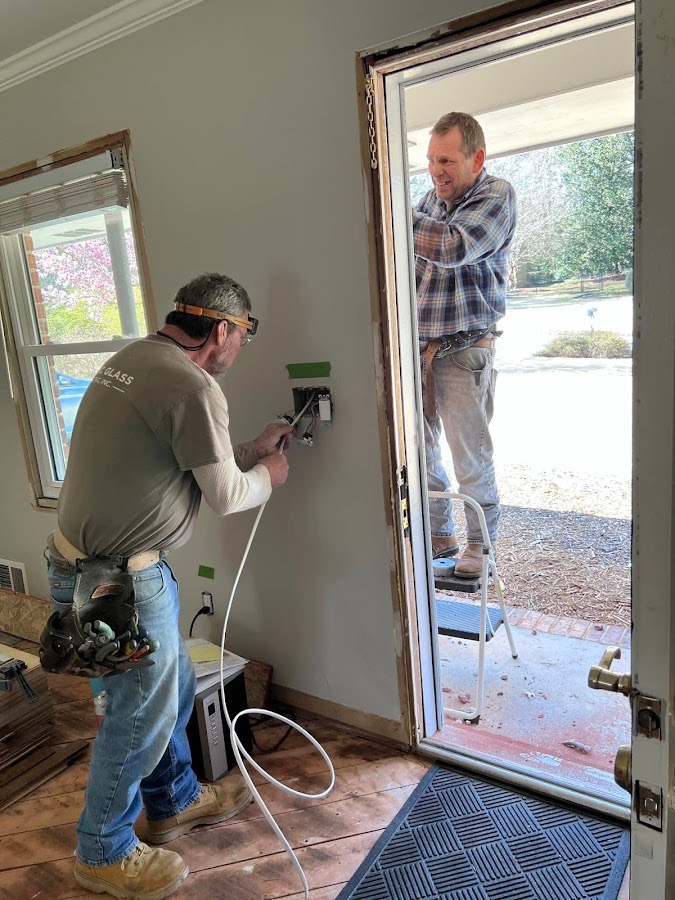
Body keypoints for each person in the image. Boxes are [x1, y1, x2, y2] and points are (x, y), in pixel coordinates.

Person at [46, 273, 292, 899]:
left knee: (170, 686)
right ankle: (101, 850)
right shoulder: (194, 385)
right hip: (119, 580)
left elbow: (177, 456)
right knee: (138, 719)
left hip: (82, 564)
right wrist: (269, 471)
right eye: (245, 333)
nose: (242, 346)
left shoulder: (134, 360)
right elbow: (229, 496)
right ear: (221, 331)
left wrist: (246, 448)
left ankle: (174, 798)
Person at [413, 112, 516, 577]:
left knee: (468, 456)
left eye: (447, 160)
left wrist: (392, 213)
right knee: (421, 450)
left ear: (477, 157)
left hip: (465, 351)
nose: (437, 170)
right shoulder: (427, 205)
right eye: (432, 160)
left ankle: (479, 546)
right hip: (419, 351)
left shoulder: (496, 195)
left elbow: (454, 247)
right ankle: (438, 533)